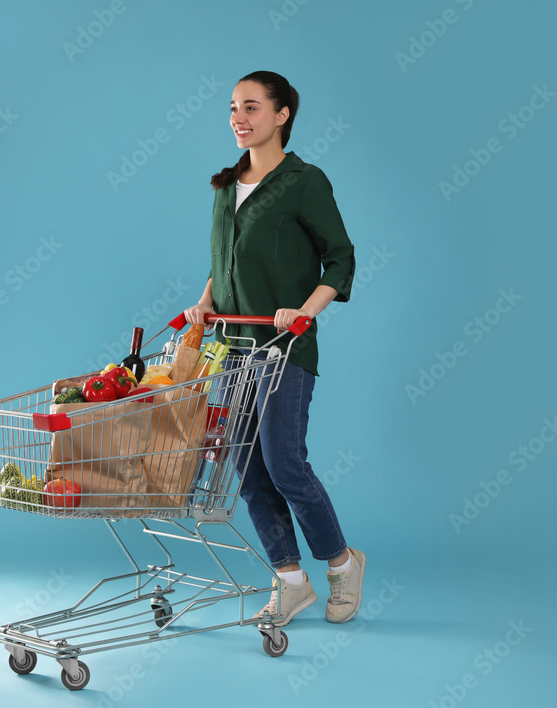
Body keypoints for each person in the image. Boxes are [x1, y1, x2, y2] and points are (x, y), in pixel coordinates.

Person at [183, 70, 365, 626]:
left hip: (283, 348)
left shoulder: (305, 181)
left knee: (284, 462)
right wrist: (203, 302)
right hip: (231, 347)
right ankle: (289, 580)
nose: (239, 117)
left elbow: (341, 258)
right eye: (234, 108)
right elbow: (225, 261)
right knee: (245, 467)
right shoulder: (224, 186)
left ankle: (341, 563)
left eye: (252, 107)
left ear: (282, 115)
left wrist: (304, 311)